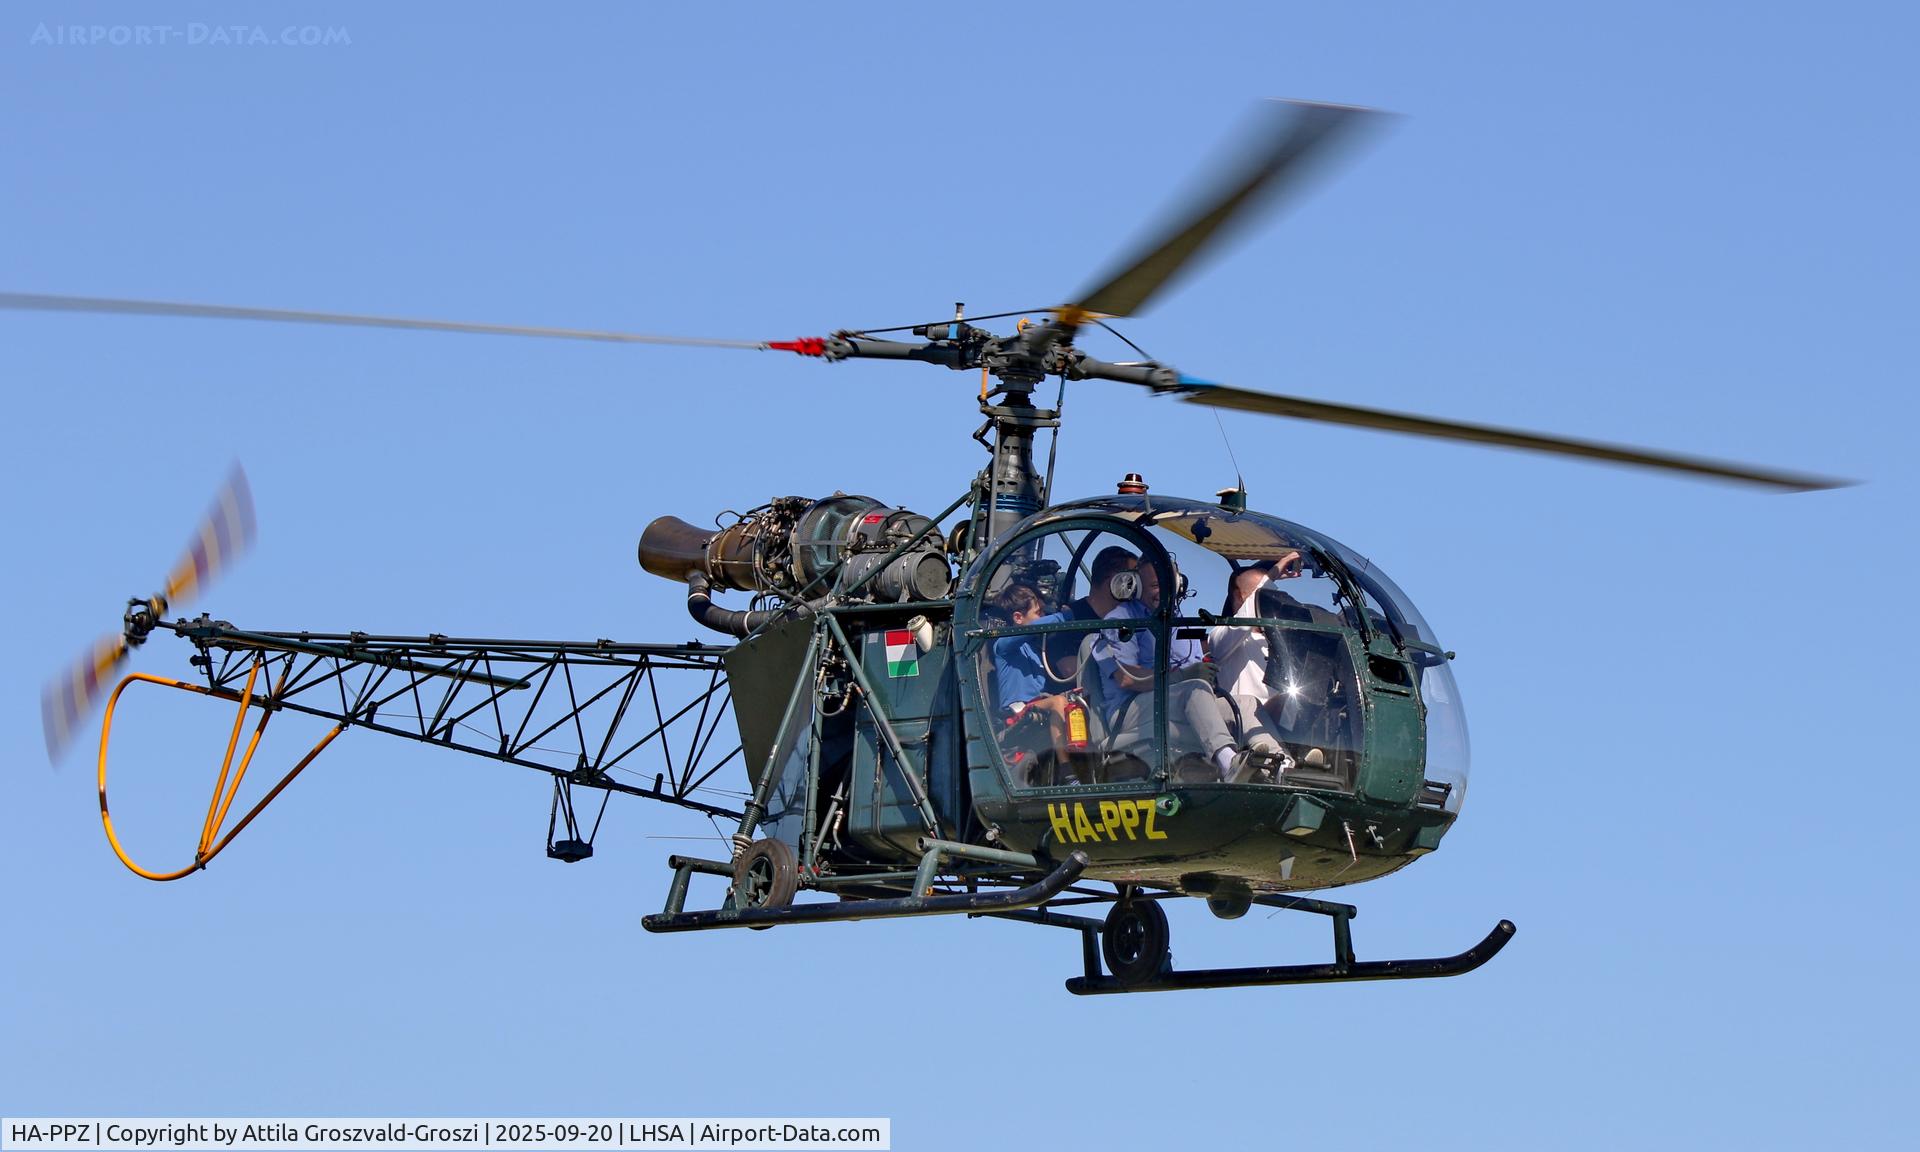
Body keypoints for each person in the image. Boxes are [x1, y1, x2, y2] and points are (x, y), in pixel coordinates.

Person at [1095, 558, 1252, 782]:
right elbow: (1127, 678)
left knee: (1246, 704)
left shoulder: (1181, 622)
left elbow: (1201, 659)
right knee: (1195, 688)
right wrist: (1184, 676)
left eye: (1169, 584)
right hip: (1130, 711)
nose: (1164, 592)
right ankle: (1227, 763)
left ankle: (1280, 765)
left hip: (1180, 702)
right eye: (1155, 586)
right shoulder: (1120, 621)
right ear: (1134, 586)